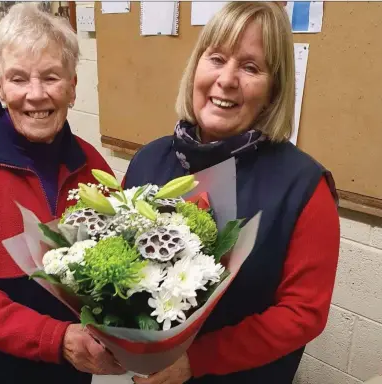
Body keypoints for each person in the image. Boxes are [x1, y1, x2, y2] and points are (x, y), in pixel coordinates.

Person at [124, 2, 340, 384]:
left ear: (274, 90)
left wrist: (196, 360)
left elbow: (303, 313)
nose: (226, 79)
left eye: (250, 67)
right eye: (217, 58)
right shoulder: (148, 161)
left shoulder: (304, 187)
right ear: (196, 66)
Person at [0, 3, 125, 384]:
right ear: (0, 86)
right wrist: (56, 339)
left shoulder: (93, 166)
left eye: (51, 77)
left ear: (72, 86)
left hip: (69, 373)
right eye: (18, 79)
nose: (36, 95)